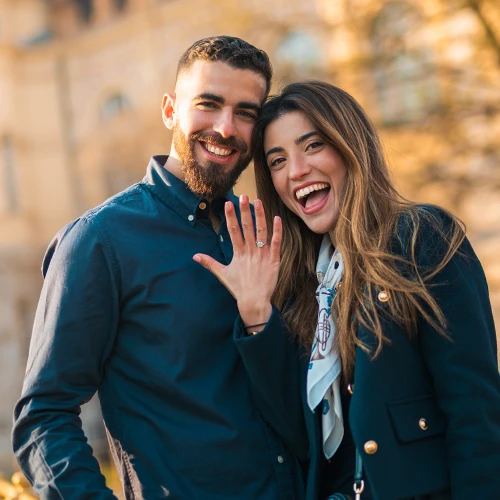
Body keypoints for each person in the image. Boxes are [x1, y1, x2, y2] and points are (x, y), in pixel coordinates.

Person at [12, 36, 307, 500]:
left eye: (245, 113)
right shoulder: (99, 241)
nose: (226, 128)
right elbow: (44, 415)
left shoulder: (264, 232)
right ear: (170, 110)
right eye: (208, 104)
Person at [194, 81, 500, 500]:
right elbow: (301, 439)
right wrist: (255, 313)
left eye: (313, 145)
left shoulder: (420, 237)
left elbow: (476, 412)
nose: (296, 170)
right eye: (277, 161)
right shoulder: (303, 287)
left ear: (350, 146)